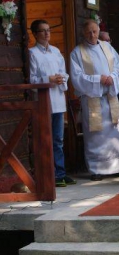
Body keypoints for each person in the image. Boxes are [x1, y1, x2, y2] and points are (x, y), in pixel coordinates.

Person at [70, 19, 119, 181]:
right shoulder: (77, 52)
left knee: (114, 132)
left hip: (110, 96)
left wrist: (112, 78)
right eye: (89, 31)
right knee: (95, 134)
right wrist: (98, 79)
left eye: (94, 31)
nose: (92, 34)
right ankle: (97, 169)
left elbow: (118, 67)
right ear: (83, 32)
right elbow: (77, 77)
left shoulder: (107, 47)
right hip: (92, 99)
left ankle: (117, 167)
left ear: (98, 30)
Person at [29, 19, 76, 187]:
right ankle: (49, 174)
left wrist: (61, 78)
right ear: (35, 34)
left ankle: (60, 173)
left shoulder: (56, 51)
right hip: (43, 101)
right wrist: (48, 79)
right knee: (45, 138)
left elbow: (64, 73)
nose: (47, 33)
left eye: (48, 30)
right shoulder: (32, 53)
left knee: (58, 139)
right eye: (42, 30)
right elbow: (32, 79)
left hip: (57, 99)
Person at [98, 31, 119, 104]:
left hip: (116, 93)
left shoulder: (118, 56)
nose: (108, 42)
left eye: (109, 40)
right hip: (99, 94)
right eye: (105, 40)